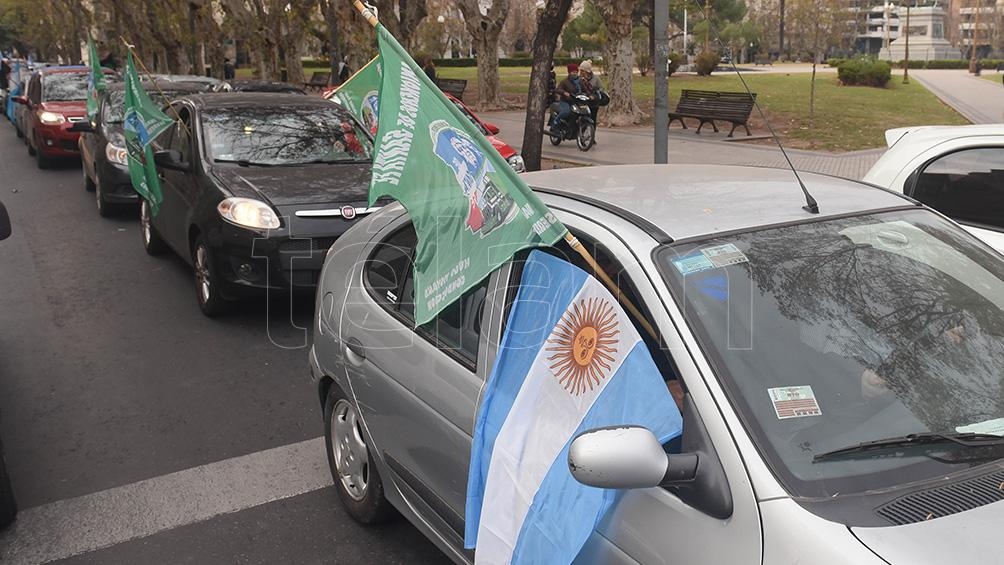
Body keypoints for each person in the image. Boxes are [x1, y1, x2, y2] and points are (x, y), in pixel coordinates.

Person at [551, 63, 581, 134]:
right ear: (569, 72)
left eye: (576, 72)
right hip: (565, 102)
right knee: (567, 111)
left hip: (576, 102)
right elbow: (557, 89)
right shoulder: (564, 81)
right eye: (573, 72)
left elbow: (585, 89)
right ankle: (556, 122)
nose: (575, 74)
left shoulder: (580, 81)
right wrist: (564, 92)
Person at [578, 59, 604, 127]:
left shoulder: (596, 79)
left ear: (587, 71)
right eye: (580, 70)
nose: (581, 72)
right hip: (583, 102)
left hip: (593, 103)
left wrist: (594, 95)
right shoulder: (579, 79)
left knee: (592, 120)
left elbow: (601, 89)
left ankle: (592, 135)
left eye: (582, 71)